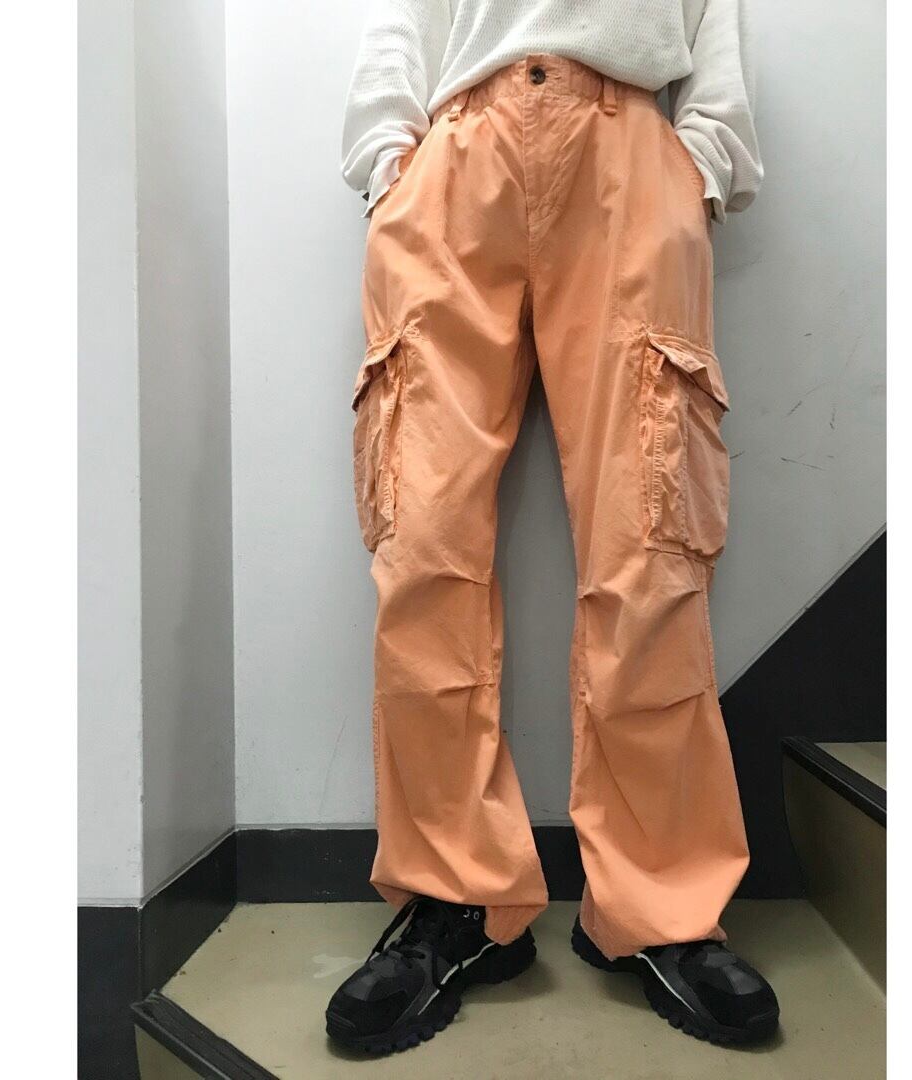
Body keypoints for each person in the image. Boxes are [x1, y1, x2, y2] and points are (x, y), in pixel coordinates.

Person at [327, 0, 777, 1055]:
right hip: (454, 166)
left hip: (630, 164)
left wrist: (698, 166)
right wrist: (391, 165)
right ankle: (454, 900)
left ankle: (662, 908)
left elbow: (714, 21)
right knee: (423, 548)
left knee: (648, 552)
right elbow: (401, 20)